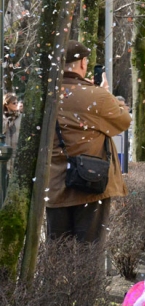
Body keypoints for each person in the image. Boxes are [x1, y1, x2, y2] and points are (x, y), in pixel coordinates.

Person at [46, 41, 131, 244]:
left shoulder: (47, 95)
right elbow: (123, 121)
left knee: (57, 251)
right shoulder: (97, 96)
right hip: (91, 183)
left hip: (54, 184)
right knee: (90, 251)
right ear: (83, 63)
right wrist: (106, 94)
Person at [3, 93, 20, 171]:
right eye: (14, 103)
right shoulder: (2, 118)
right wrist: (6, 121)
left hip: (17, 151)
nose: (16, 104)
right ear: (7, 105)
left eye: (17, 102)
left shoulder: (21, 117)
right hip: (4, 153)